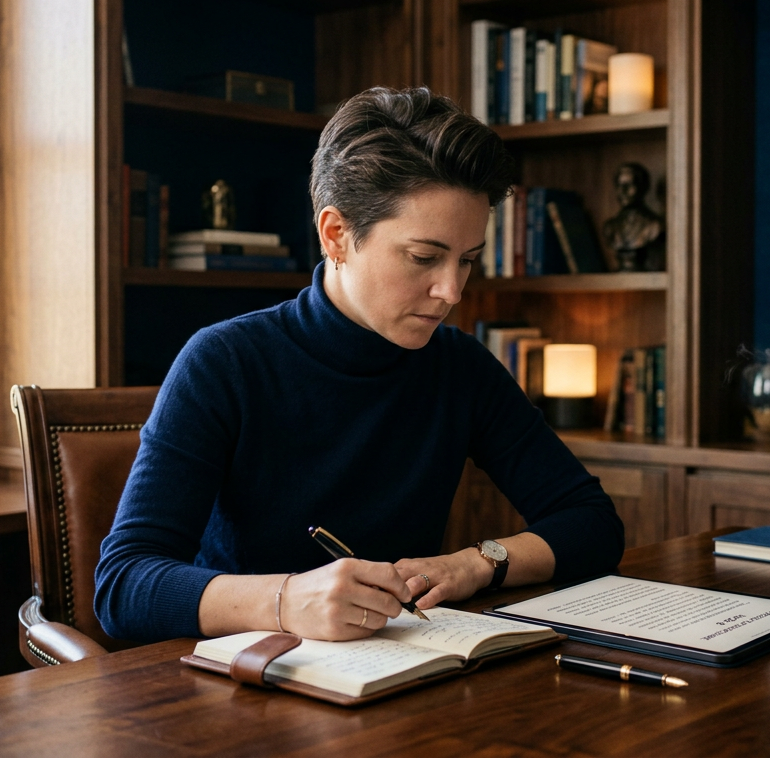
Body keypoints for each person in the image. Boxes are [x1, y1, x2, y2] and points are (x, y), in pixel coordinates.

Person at [94, 87, 626, 643]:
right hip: (250, 682)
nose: (451, 291)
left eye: (467, 260)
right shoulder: (224, 361)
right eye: (424, 257)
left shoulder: (460, 367)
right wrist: (284, 600)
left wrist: (478, 563)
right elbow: (123, 587)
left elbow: (591, 522)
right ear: (336, 235)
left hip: (400, 678)